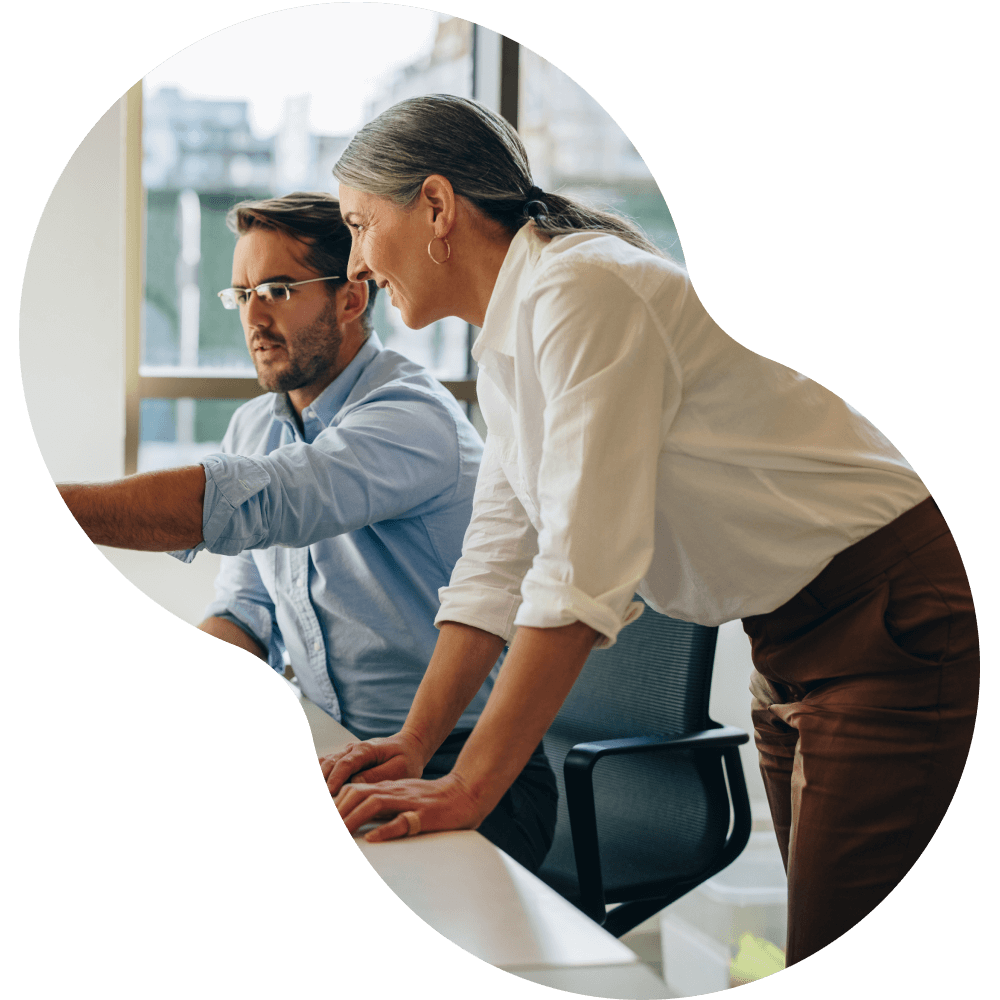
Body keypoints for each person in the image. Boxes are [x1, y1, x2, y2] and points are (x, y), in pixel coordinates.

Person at [321, 95, 979, 968]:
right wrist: (414, 744)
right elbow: (493, 568)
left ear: (437, 207)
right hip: (793, 633)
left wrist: (471, 787)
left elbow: (576, 576)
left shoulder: (582, 288)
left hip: (890, 612)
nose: (358, 262)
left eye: (362, 225)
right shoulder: (511, 340)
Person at [55, 191, 558, 874]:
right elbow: (246, 612)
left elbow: (273, 502)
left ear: (352, 298)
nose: (254, 319)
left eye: (278, 290)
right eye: (241, 295)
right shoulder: (256, 426)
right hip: (338, 754)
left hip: (463, 766)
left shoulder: (412, 417)